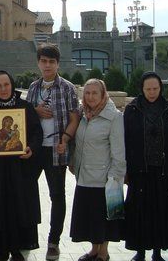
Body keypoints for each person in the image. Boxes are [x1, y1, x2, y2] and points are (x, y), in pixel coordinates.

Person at [0, 70, 41, 261]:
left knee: (19, 207)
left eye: (6, 85)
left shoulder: (25, 107)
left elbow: (36, 133)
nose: (3, 89)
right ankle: (1, 249)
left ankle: (17, 249)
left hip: (20, 169)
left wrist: (30, 148)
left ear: (12, 85)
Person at [24, 43, 79, 261]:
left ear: (57, 64)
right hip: (35, 150)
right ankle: (26, 236)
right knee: (26, 192)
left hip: (57, 149)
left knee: (57, 196)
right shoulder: (34, 88)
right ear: (38, 63)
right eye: (44, 61)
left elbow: (75, 118)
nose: (47, 65)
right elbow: (26, 118)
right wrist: (34, 111)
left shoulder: (66, 88)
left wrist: (65, 139)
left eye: (51, 62)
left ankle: (53, 241)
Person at [124, 72, 168, 261]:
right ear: (142, 89)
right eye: (148, 89)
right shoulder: (132, 109)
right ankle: (140, 250)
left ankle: (157, 251)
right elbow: (125, 139)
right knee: (140, 210)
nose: (152, 92)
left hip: (164, 169)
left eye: (155, 89)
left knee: (161, 210)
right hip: (139, 168)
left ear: (161, 88)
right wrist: (126, 167)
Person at [69, 79, 125, 261]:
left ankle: (103, 252)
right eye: (87, 93)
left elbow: (118, 152)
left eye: (95, 93)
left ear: (103, 95)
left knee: (105, 218)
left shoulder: (114, 117)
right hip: (84, 176)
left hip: (104, 178)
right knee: (91, 218)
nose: (91, 97)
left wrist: (116, 177)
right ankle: (94, 249)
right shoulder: (83, 114)